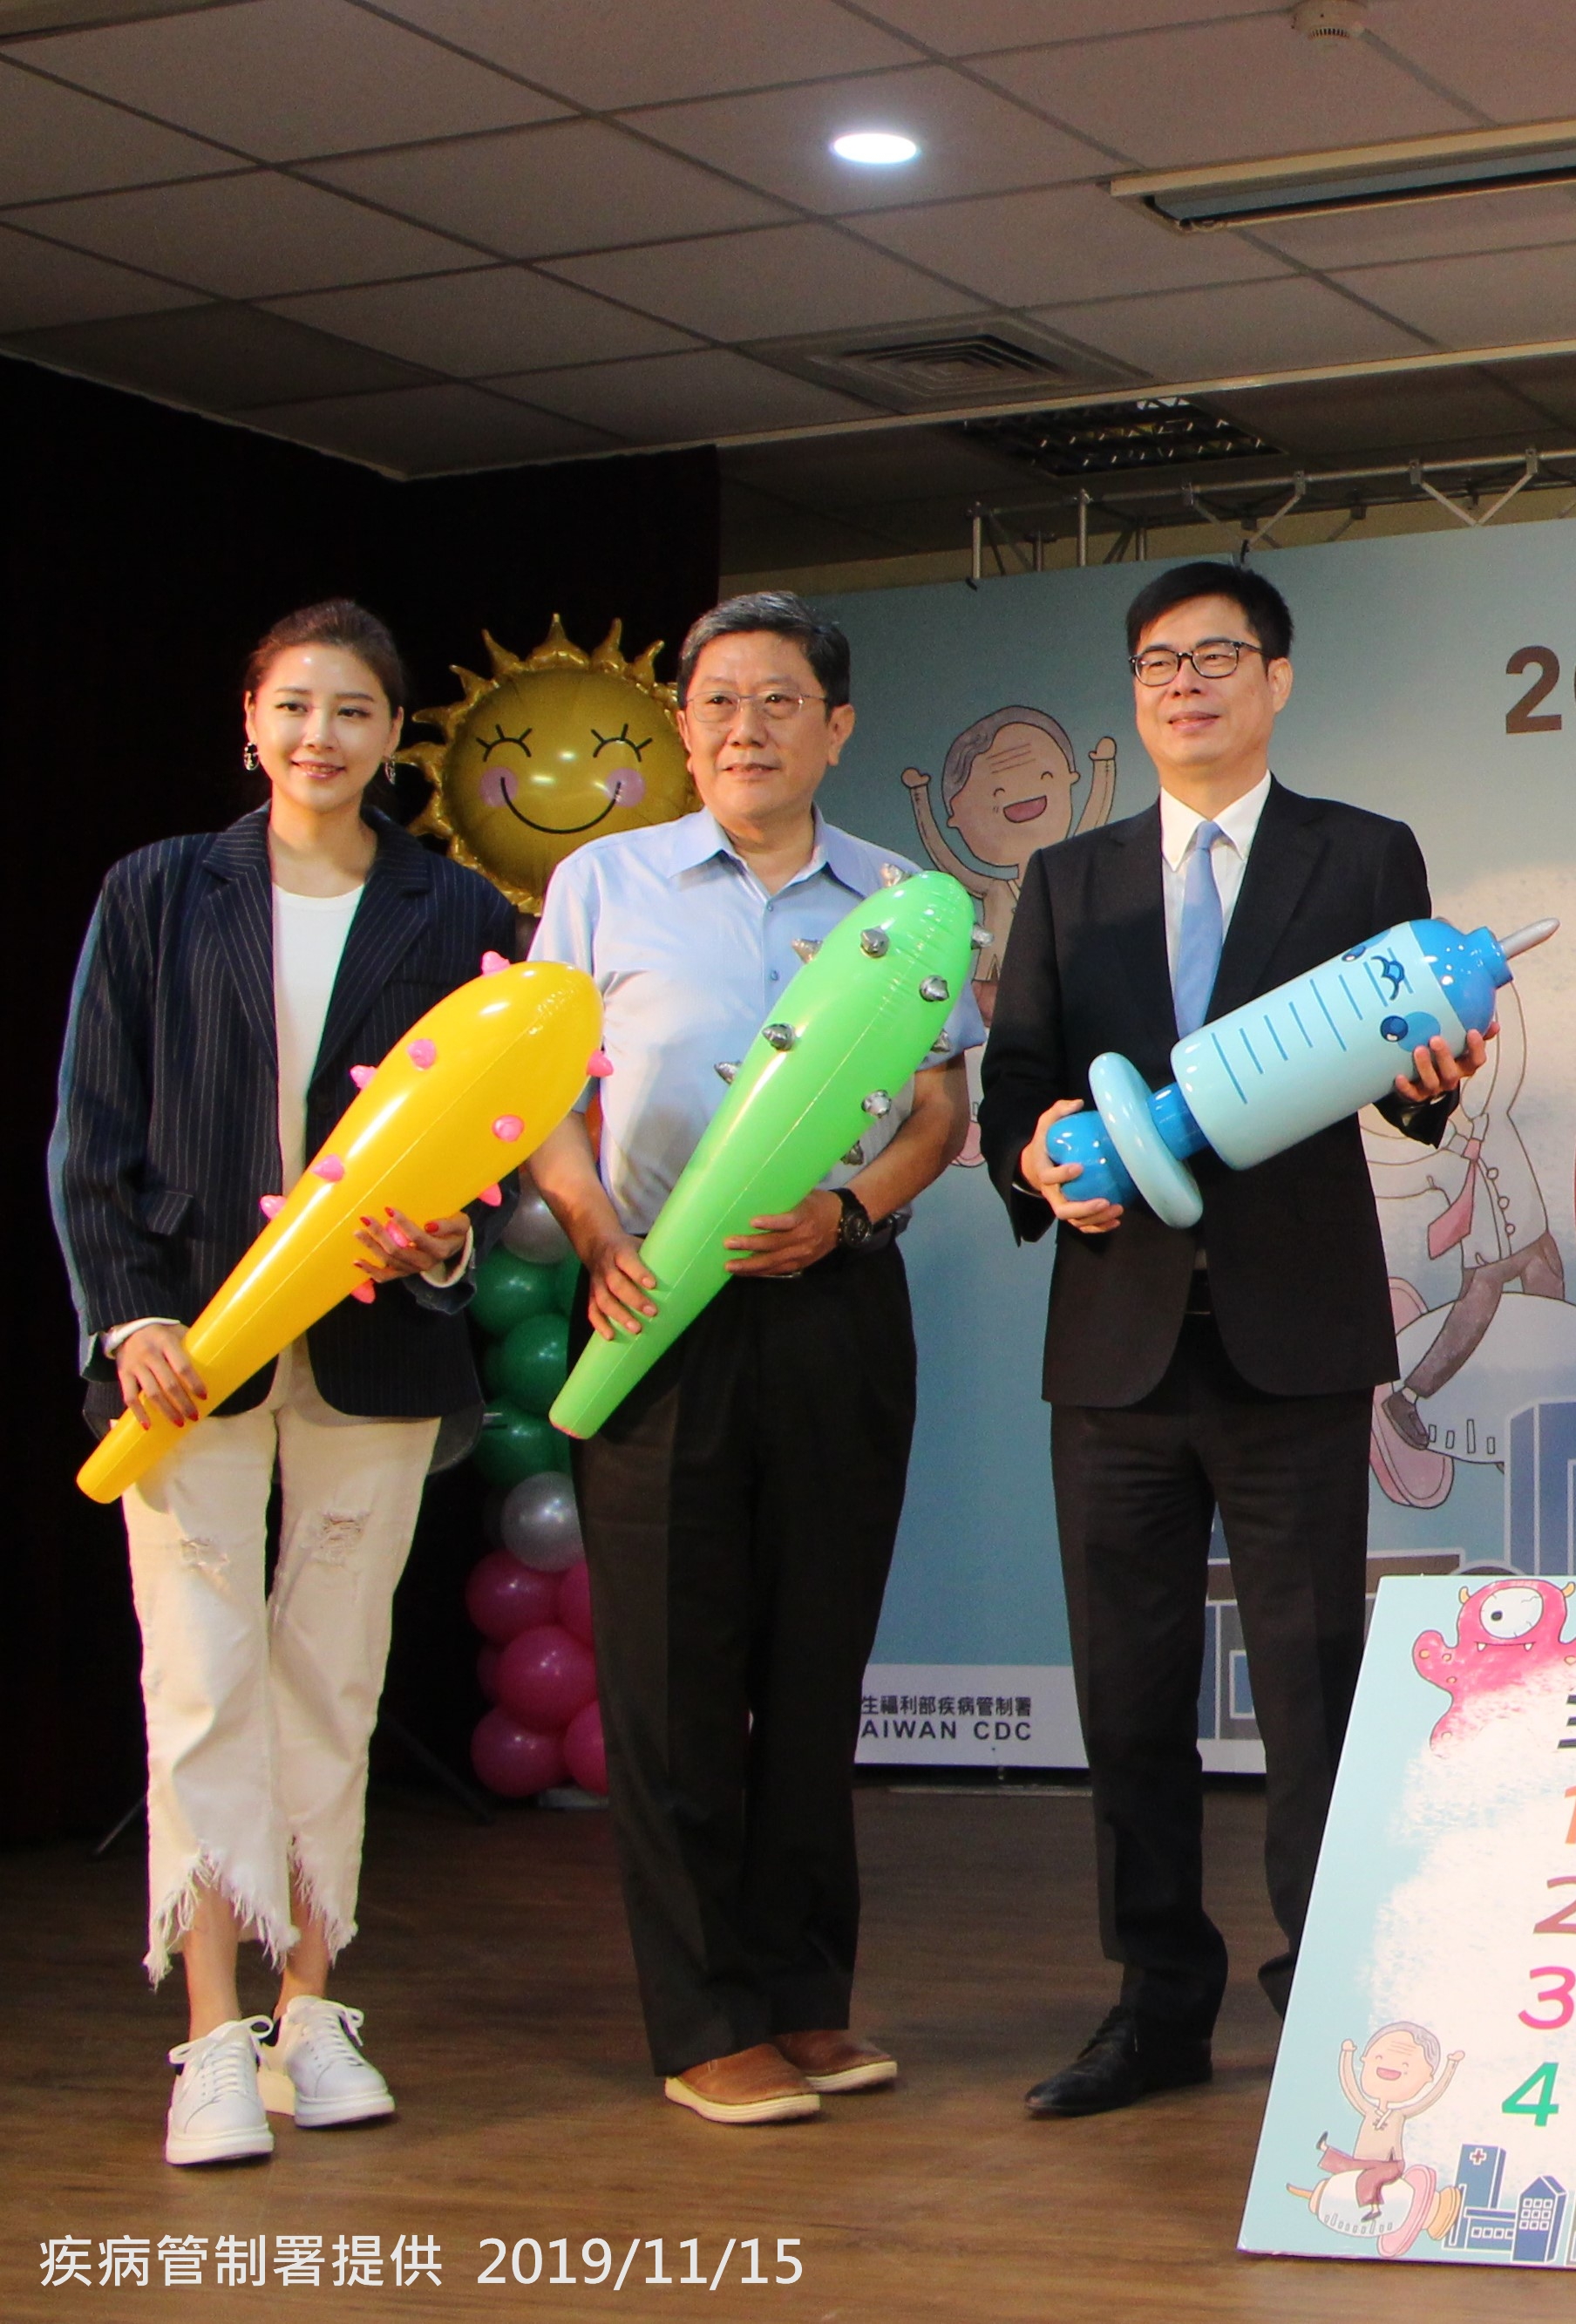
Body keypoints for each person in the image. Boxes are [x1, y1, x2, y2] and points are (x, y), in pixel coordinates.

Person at [978, 561, 1481, 2118]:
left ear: (1277, 679)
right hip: (1115, 1345)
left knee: (1316, 1682)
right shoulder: (1070, 878)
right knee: (1127, 1692)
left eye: (1216, 656)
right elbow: (1016, 1085)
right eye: (1157, 662)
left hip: (1294, 1336)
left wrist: (1434, 1079)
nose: (1184, 683)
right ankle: (1155, 2004)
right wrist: (1039, 1158)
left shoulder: (1362, 852)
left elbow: (1411, 1069)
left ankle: (1331, 1990)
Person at [54, 599, 513, 2166]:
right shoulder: (155, 891)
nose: (322, 735)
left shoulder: (454, 907)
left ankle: (312, 2005)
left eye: (354, 710)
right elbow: (90, 1131)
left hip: (377, 1346)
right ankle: (208, 2034)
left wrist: (445, 1240)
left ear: (394, 737)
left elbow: (490, 1131)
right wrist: (127, 1319)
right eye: (295, 705)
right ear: (249, 721)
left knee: (335, 1677)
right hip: (187, 1353)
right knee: (199, 1682)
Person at [524, 592, 975, 2127]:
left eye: (779, 701)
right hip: (651, 1303)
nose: (744, 728)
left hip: (834, 1301)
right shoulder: (604, 884)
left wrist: (851, 1210)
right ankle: (705, 2016)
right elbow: (544, 1095)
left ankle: (803, 1995)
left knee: (813, 1660)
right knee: (670, 1674)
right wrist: (593, 1229)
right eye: (717, 700)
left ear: (835, 728)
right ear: (684, 724)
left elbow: (941, 1111)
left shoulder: (903, 897)